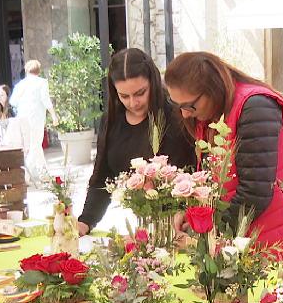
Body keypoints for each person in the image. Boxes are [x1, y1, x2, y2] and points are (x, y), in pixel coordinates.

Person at [163, 51, 283, 260]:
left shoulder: (256, 106)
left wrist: (203, 229)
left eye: (189, 105)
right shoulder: (212, 114)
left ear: (212, 89)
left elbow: (255, 193)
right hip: (250, 237)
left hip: (282, 236)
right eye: (177, 106)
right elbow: (214, 183)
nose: (185, 114)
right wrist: (193, 214)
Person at [77, 48, 196, 236]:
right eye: (124, 96)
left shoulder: (177, 115)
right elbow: (102, 177)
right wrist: (85, 221)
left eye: (140, 93)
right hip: (144, 228)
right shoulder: (111, 120)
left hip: (182, 228)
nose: (133, 103)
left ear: (154, 83)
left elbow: (197, 173)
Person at [10, 59, 58, 162]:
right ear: (38, 71)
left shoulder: (20, 84)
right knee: (36, 144)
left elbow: (13, 101)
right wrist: (53, 115)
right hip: (36, 118)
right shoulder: (42, 83)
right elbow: (45, 100)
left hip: (23, 118)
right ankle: (35, 171)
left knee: (29, 145)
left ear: (26, 70)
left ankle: (39, 170)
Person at [0, 83, 47, 183]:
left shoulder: (11, 111)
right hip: (2, 140)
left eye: (2, 95)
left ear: (7, 96)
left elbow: (19, 127)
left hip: (13, 141)